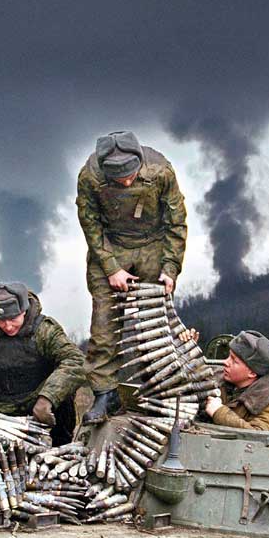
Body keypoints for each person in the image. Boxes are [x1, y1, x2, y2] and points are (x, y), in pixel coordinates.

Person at [76, 130, 187, 424]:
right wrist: (111, 267)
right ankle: (105, 394)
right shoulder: (90, 177)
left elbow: (176, 222)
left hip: (153, 243)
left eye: (130, 175)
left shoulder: (160, 170)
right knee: (104, 325)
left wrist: (170, 269)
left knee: (155, 325)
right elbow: (91, 225)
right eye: (119, 179)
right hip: (110, 245)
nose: (126, 182)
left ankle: (158, 391)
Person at [0, 282, 86, 445]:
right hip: (1, 413)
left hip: (43, 407)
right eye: (1, 320)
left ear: (24, 310)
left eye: (13, 318)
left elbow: (75, 361)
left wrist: (48, 397)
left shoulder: (44, 330)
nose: (7, 326)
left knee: (64, 405)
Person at [205, 330, 269, 431]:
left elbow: (260, 437)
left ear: (252, 373)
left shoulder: (267, 404)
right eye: (229, 356)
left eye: (234, 360)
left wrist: (219, 412)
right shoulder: (217, 375)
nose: (226, 362)